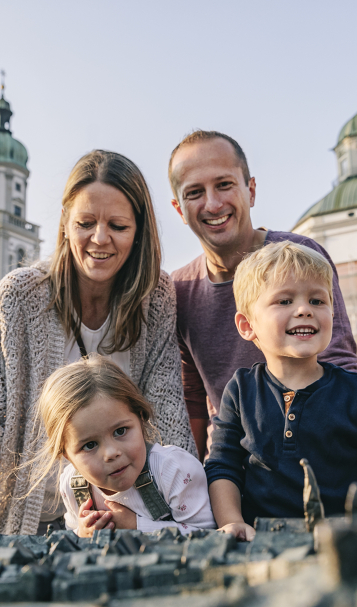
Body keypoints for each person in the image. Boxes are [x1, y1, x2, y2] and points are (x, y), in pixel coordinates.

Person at [0, 150, 196, 536]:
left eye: (118, 226)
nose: (99, 238)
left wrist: (175, 520)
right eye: (85, 223)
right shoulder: (20, 296)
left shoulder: (155, 296)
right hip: (28, 519)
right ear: (65, 223)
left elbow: (167, 410)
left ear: (139, 229)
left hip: (124, 517)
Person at [169, 131, 357, 461]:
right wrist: (192, 486)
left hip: (317, 456)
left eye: (224, 184)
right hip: (232, 467)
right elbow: (194, 398)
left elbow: (339, 360)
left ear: (250, 190)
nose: (213, 203)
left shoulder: (302, 256)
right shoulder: (178, 290)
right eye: (195, 192)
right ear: (179, 209)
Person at [204, 241, 357, 541]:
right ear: (248, 325)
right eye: (284, 301)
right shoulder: (240, 390)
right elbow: (223, 466)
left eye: (317, 301)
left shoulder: (352, 390)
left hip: (344, 541)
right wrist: (232, 522)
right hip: (261, 543)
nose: (304, 310)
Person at [26, 356, 215, 537]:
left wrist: (137, 526)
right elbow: (72, 533)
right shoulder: (73, 485)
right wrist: (81, 534)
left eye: (120, 431)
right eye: (90, 445)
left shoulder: (173, 471)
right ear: (67, 455)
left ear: (141, 419)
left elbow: (210, 535)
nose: (111, 453)